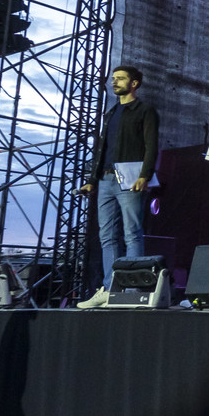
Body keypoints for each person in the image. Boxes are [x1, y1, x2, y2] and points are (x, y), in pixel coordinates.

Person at [78, 64, 160, 308]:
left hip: (130, 178)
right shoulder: (111, 113)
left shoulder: (144, 110)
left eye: (121, 78)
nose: (114, 82)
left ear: (134, 83)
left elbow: (151, 146)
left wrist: (145, 175)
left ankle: (132, 288)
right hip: (105, 179)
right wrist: (91, 180)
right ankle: (110, 288)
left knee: (132, 233)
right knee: (107, 236)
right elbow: (102, 149)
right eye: (114, 78)